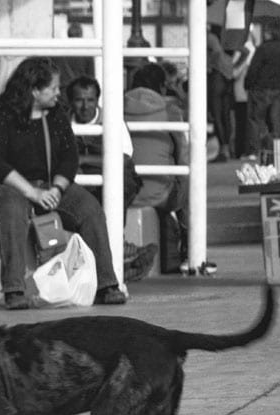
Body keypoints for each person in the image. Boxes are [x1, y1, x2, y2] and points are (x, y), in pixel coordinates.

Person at [0, 58, 125, 310]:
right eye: (52, 88)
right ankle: (14, 290)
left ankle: (107, 285)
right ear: (34, 90)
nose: (57, 93)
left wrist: (56, 189)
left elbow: (69, 158)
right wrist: (32, 192)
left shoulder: (55, 114)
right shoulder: (1, 114)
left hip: (48, 185)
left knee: (89, 207)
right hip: (0, 186)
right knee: (13, 206)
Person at [67, 76, 155, 282]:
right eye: (79, 100)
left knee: (121, 184)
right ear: (71, 101)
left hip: (114, 174)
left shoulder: (112, 119)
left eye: (90, 100)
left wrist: (83, 160)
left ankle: (118, 244)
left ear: (97, 100)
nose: (85, 106)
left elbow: (123, 156)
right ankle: (120, 255)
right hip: (78, 179)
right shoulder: (62, 121)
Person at [124, 63, 191, 275]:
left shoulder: (116, 106)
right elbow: (183, 156)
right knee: (189, 183)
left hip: (123, 194)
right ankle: (190, 248)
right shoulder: (171, 111)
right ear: (162, 86)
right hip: (161, 193)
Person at [244, 22, 280, 159]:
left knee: (256, 119)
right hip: (278, 90)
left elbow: (253, 69)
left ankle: (255, 151)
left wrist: (248, 84)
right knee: (276, 120)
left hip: (260, 89)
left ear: (269, 34)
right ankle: (278, 151)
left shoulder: (262, 49)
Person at [207, 24, 234, 161]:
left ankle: (223, 149)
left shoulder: (210, 38)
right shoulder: (228, 41)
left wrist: (209, 65)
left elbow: (216, 51)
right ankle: (227, 148)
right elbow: (245, 51)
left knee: (217, 115)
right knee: (225, 116)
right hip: (228, 79)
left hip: (217, 78)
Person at [231, 37, 256, 160]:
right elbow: (234, 73)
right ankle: (241, 151)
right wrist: (245, 62)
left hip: (245, 94)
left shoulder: (245, 52)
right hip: (241, 94)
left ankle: (244, 150)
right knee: (242, 124)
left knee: (245, 124)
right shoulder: (241, 53)